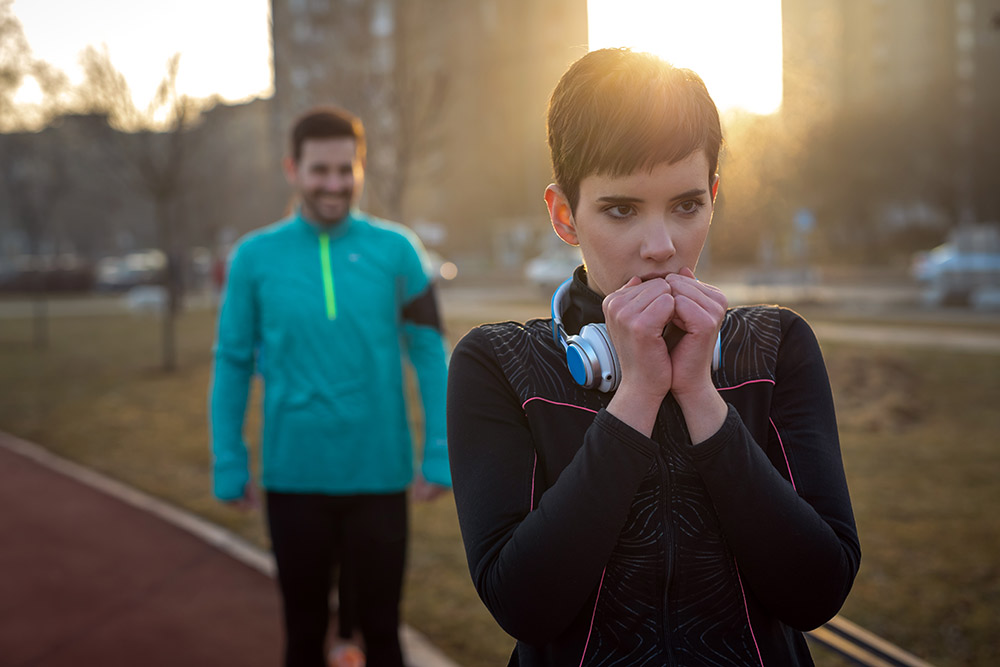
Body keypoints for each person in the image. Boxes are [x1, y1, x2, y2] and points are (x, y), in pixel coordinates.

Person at [446, 48, 860, 666]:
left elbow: (816, 592)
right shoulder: (499, 363)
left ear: (714, 198)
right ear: (564, 215)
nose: (662, 247)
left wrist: (700, 396)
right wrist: (635, 399)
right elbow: (525, 604)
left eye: (687, 205)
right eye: (621, 210)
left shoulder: (775, 348)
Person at [209, 106, 451, 667]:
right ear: (292, 169)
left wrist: (439, 451)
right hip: (295, 477)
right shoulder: (253, 258)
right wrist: (228, 458)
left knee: (383, 634)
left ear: (360, 169)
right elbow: (231, 361)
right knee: (303, 635)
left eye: (347, 170)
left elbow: (429, 353)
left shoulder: (399, 251)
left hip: (379, 476)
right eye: (321, 170)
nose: (335, 184)